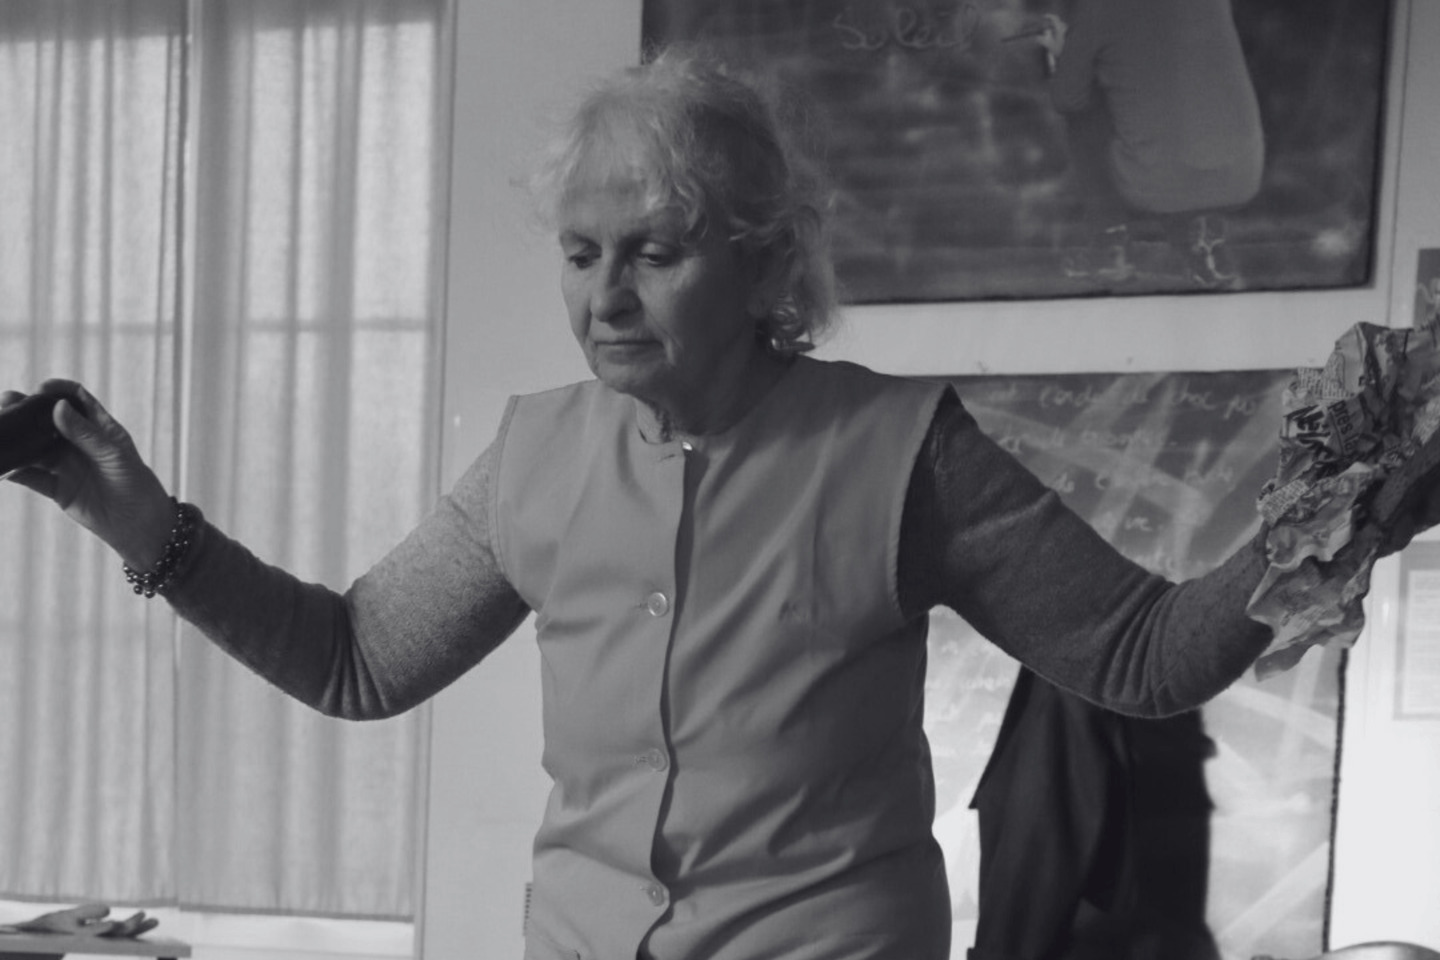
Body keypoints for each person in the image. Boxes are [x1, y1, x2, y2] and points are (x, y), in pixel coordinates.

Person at [0, 47, 1428, 960]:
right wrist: (143, 526)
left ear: (763, 264)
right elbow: (356, 659)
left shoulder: (903, 449)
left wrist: (1346, 511)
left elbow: (1139, 656)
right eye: (581, 254)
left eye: (656, 252)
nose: (605, 298)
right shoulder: (533, 455)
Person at [1035, 0, 1265, 290]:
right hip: (1241, 177)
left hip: (1159, 183)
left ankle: (1109, 245)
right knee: (1176, 116)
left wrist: (1066, 54)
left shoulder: (1098, 10)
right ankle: (1201, 236)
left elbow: (1066, 98)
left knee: (1087, 109)